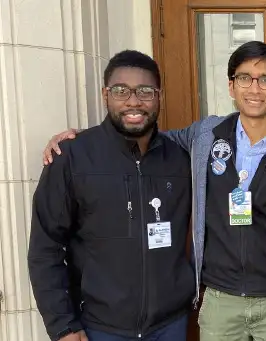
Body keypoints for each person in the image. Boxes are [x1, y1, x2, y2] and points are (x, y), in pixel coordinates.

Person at [42, 41, 266, 341]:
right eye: (245, 78)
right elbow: (145, 136)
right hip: (220, 298)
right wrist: (83, 139)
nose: (255, 89)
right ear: (231, 86)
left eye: (265, 80)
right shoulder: (205, 136)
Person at [28, 50, 194, 341]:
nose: (133, 101)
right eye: (121, 91)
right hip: (99, 328)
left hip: (170, 326)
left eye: (145, 91)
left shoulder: (181, 159)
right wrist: (63, 325)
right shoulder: (72, 157)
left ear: (159, 96)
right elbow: (46, 248)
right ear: (106, 95)